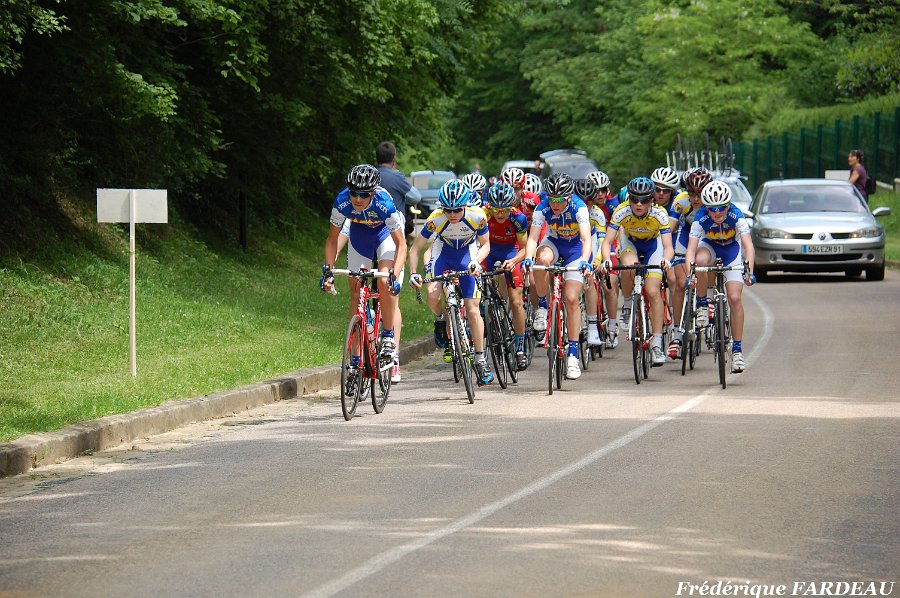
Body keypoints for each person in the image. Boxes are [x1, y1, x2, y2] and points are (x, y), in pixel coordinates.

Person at [322, 164, 406, 381]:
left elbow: (401, 245)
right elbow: (332, 240)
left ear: (373, 192)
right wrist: (328, 270)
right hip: (360, 235)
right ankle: (355, 361)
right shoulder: (342, 201)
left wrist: (395, 275)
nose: (358, 199)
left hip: (384, 234)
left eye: (364, 194)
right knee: (356, 292)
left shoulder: (384, 202)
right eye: (354, 193)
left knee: (384, 282)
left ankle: (388, 336)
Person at [408, 179, 495, 385]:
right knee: (432, 294)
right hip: (443, 254)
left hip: (467, 253)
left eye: (457, 210)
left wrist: (476, 261)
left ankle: (480, 358)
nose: (452, 214)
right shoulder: (436, 218)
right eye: (447, 210)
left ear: (465, 206)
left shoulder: (477, 216)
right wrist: (413, 273)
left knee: (473, 309)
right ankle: (440, 319)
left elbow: (486, 245)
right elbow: (415, 249)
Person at [522, 172, 593, 380]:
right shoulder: (542, 207)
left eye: (559, 199)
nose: (555, 204)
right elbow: (533, 238)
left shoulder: (579, 207)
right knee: (541, 260)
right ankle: (542, 307)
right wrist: (528, 258)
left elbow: (586, 238)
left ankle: (573, 355)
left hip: (575, 249)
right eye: (552, 199)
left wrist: (585, 260)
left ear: (569, 197)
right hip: (553, 243)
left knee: (571, 299)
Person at [599, 177, 674, 367]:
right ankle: (627, 304)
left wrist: (666, 260)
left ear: (651, 200)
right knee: (629, 265)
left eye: (644, 200)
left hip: (653, 246)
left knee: (653, 291)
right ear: (629, 199)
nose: (639, 204)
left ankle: (657, 344)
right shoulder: (621, 211)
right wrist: (606, 259)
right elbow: (607, 242)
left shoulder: (660, 213)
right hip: (630, 242)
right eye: (634, 199)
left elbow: (668, 247)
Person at [684, 180, 756, 373]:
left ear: (728, 205)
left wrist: (749, 271)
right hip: (710, 247)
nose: (717, 213)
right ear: (706, 208)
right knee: (700, 260)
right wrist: (691, 274)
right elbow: (691, 249)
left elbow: (748, 246)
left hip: (732, 251)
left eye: (721, 208)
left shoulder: (736, 215)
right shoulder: (700, 217)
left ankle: (737, 351)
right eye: (712, 209)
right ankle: (702, 304)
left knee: (734, 298)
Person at [483, 181, 530, 370]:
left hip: (512, 251)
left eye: (504, 210)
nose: (500, 214)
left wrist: (514, 261)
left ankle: (520, 348)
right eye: (496, 210)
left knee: (516, 301)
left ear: (511, 206)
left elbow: (525, 248)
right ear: (490, 207)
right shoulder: (483, 214)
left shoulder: (519, 218)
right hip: (489, 251)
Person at [666, 168, 712, 359]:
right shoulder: (681, 201)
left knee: (706, 263)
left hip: (707, 237)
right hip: (685, 238)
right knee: (679, 283)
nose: (696, 199)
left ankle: (707, 299)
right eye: (692, 193)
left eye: (700, 194)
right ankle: (677, 335)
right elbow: (669, 229)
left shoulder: (713, 201)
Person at [376, 141, 422, 233]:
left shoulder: (369, 176)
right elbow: (416, 197)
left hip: (372, 226)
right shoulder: (396, 177)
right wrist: (402, 198)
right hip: (394, 229)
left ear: (376, 158)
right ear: (394, 158)